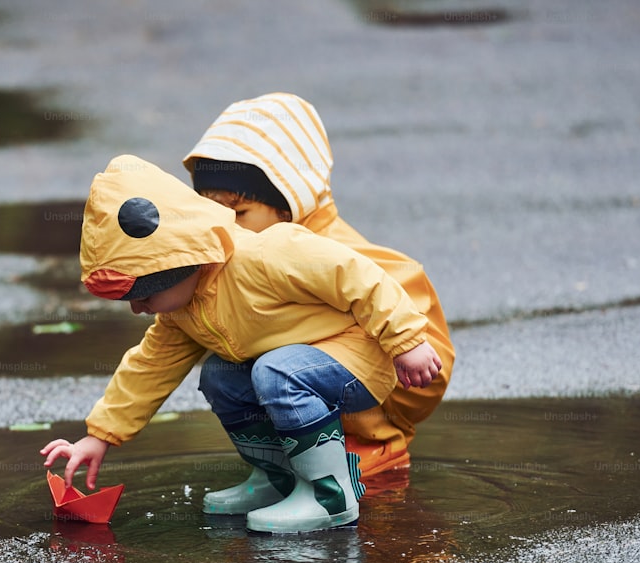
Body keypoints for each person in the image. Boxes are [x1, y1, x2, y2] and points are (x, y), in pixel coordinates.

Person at [40, 154, 442, 534]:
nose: (137, 309)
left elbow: (359, 276)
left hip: (360, 359)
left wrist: (405, 341)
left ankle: (330, 497)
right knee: (220, 375)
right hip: (298, 367)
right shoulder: (181, 312)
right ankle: (279, 479)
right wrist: (100, 435)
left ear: (180, 264)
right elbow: (147, 368)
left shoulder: (266, 254)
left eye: (144, 295)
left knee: (275, 373)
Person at [182, 92, 455, 498]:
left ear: (291, 202)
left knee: (282, 368)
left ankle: (366, 452)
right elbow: (164, 345)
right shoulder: (236, 256)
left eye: (238, 213)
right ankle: (280, 468)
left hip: (369, 392)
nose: (226, 226)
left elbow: (419, 340)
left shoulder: (342, 258)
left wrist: (405, 347)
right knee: (224, 373)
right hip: (297, 379)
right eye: (212, 212)